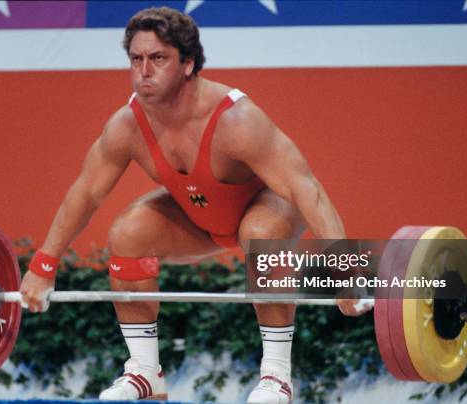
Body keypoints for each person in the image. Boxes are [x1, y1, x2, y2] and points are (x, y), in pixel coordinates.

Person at [20, 6, 367, 403]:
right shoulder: (126, 125)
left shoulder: (236, 119)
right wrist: (43, 266)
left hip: (266, 209)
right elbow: (85, 193)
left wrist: (347, 268)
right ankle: (146, 373)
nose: (144, 70)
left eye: (158, 58)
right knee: (127, 233)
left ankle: (277, 378)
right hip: (198, 218)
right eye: (136, 59)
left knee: (260, 233)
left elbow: (308, 191)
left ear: (187, 64)